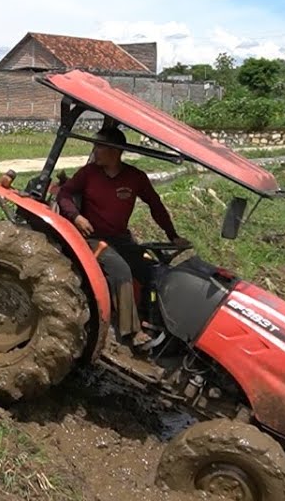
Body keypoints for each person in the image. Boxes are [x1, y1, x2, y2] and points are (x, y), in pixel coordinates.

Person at [57, 126, 191, 350]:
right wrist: (77, 217)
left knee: (151, 270)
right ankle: (131, 331)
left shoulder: (135, 177)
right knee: (120, 270)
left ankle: (159, 321)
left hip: (120, 239)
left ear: (115, 150)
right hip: (92, 239)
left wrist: (173, 235)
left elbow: (155, 206)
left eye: (100, 146)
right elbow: (64, 194)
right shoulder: (88, 174)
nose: (95, 150)